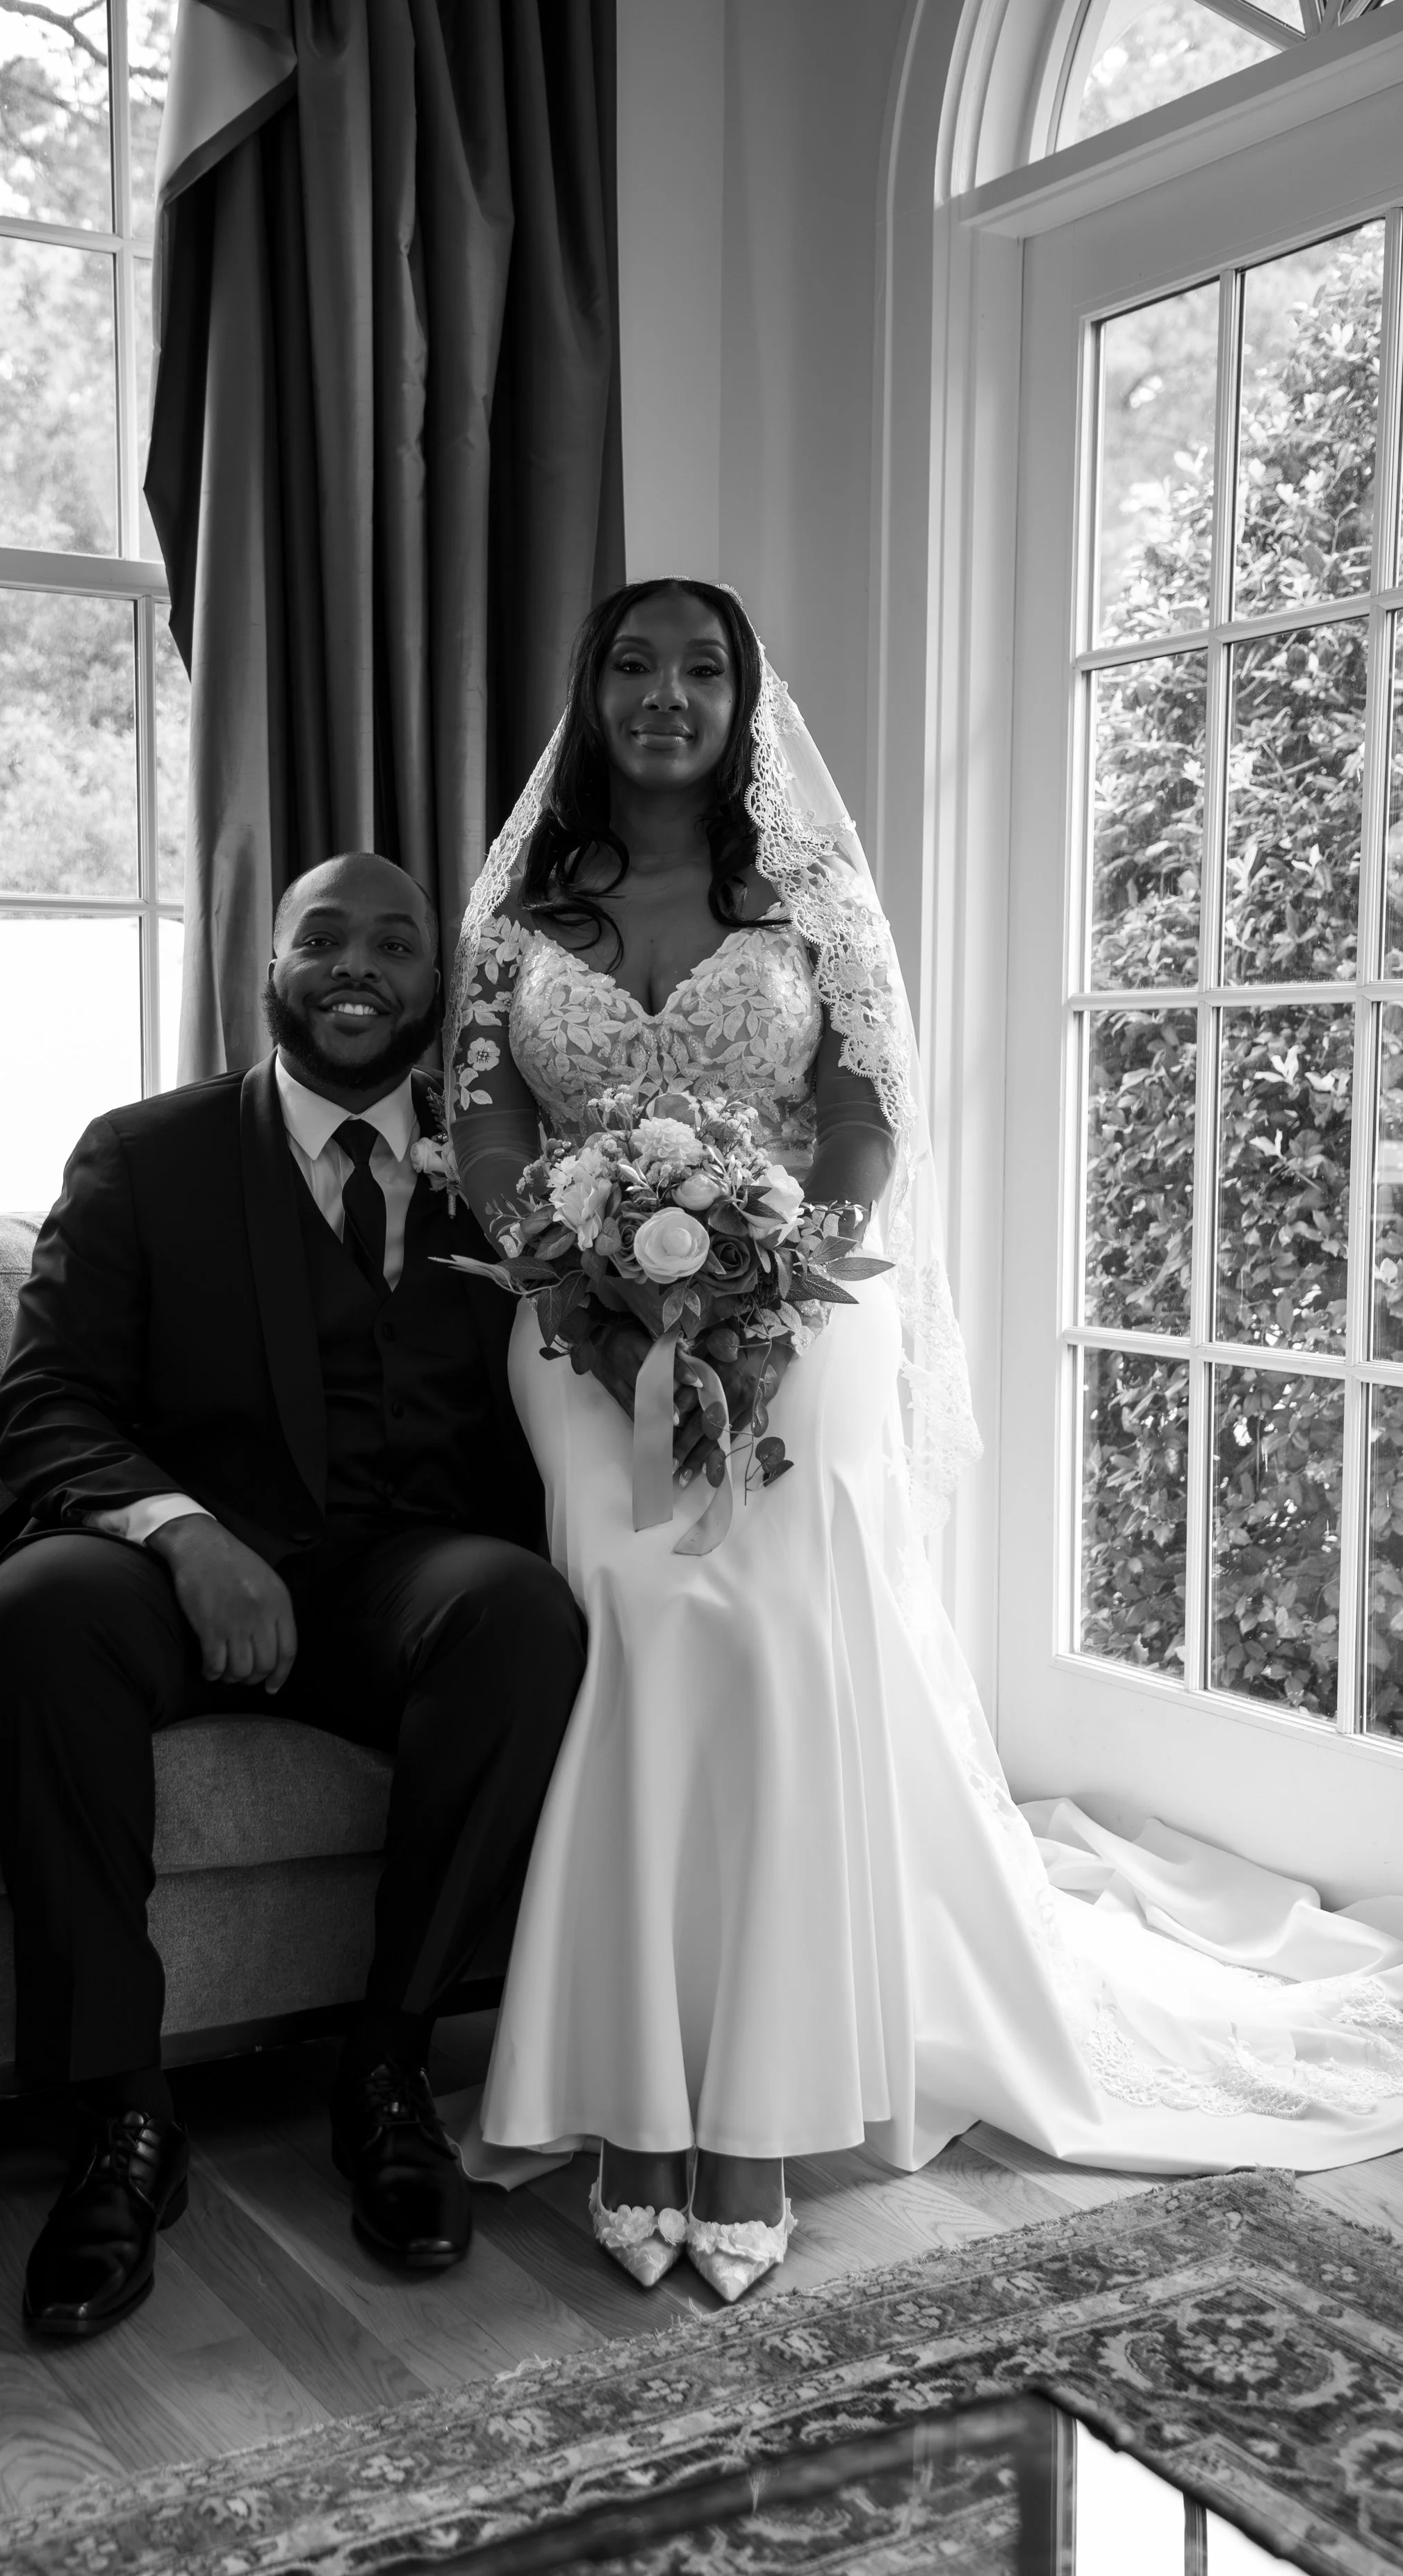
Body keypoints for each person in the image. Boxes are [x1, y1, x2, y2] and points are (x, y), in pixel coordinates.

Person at [445, 575, 1403, 2306]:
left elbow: (870, 1128)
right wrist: (591, 1262)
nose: (668, 696)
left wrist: (760, 1271)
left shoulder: (803, 901)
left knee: (781, 1625)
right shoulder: (516, 920)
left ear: (745, 700)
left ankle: (752, 2117)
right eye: (635, 667)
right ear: (588, 697)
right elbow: (489, 1133)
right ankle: (631, 2107)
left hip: (801, 1303)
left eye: (704, 668)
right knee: (645, 1625)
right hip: (577, 1326)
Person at [0, 853, 585, 2339]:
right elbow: (45, 1398)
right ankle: (123, 2119)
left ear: (441, 987)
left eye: (393, 942)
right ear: (268, 962)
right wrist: (183, 1533)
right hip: (177, 1575)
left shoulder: (511, 1176)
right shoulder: (143, 1154)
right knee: (34, 1615)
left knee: (520, 1619)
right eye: (325, 936)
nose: (357, 964)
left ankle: (386, 2070)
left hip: (396, 1575)